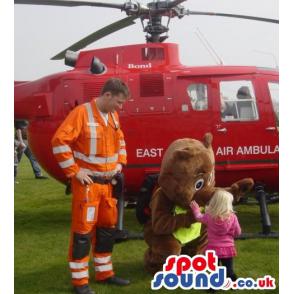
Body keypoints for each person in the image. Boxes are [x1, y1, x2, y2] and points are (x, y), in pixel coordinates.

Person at [51, 78, 130, 294]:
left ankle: (105, 274)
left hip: (108, 186)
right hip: (88, 187)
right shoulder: (81, 114)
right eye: (119, 102)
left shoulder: (113, 116)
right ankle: (80, 283)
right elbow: (59, 141)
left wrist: (120, 164)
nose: (121, 107)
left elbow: (120, 140)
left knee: (106, 231)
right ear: (107, 96)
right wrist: (75, 171)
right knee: (82, 234)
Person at [190, 190, 241, 282]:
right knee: (228, 270)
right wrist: (231, 232)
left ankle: (213, 287)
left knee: (215, 270)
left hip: (213, 249)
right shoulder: (232, 217)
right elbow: (238, 232)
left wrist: (196, 210)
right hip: (227, 248)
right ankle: (233, 283)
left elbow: (198, 217)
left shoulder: (208, 217)